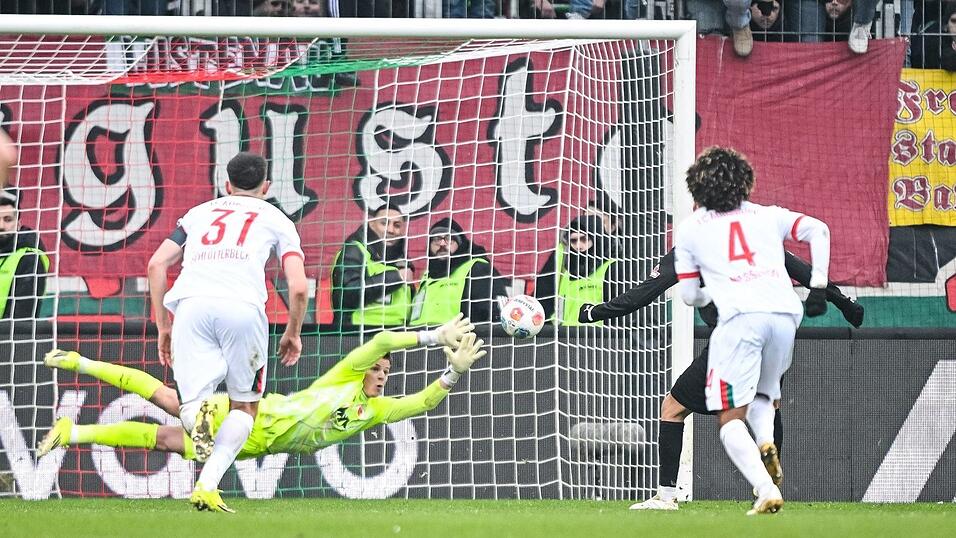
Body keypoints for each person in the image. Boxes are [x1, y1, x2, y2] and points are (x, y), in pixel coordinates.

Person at [579, 248, 863, 510]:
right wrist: (845, 302)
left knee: (673, 408)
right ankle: (771, 486)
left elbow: (643, 294)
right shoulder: (758, 236)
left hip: (733, 338)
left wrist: (595, 312)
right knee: (767, 406)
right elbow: (805, 271)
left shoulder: (691, 247)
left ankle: (666, 496)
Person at [37, 316, 484, 475]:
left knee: (168, 440)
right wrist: (432, 337)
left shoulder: (377, 410)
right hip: (250, 414)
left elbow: (423, 403)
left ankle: (71, 432)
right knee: (170, 404)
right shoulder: (342, 378)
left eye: (387, 373)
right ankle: (83, 364)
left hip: (257, 446)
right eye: (380, 370)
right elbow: (383, 339)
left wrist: (453, 372)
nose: (383, 374)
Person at [146, 151, 309, 513]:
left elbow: (157, 264)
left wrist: (163, 324)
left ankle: (195, 420)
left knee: (190, 403)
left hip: (191, 306)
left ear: (226, 184)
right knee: (245, 406)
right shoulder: (276, 218)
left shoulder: (199, 213)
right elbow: (298, 288)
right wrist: (292, 332)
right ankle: (207, 484)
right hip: (242, 309)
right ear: (266, 187)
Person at [672, 146, 830, 515]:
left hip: (741, 318)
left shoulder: (692, 228)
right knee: (764, 395)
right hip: (786, 315)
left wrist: (716, 288)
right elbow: (818, 230)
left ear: (697, 189)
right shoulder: (767, 215)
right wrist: (818, 285)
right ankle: (765, 439)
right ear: (745, 182)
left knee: (728, 418)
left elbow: (690, 296)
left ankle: (764, 488)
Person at [410, 218, 508, 327]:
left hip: (460, 341)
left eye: (449, 238)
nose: (442, 243)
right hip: (420, 340)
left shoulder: (477, 269)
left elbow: (497, 316)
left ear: (460, 243)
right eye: (437, 239)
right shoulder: (427, 276)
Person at [331, 203, 413, 330]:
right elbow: (347, 294)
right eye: (384, 223)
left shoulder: (403, 261)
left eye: (397, 225)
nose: (390, 230)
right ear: (371, 224)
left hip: (396, 336)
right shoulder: (355, 250)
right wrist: (396, 277)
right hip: (358, 333)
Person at [536, 215, 621, 326]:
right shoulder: (567, 272)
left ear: (596, 238)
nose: (578, 246)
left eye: (584, 239)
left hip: (597, 337)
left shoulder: (611, 267)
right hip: (566, 335)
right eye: (574, 241)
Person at [0, 188, 49, 320]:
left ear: (18, 225)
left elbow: (21, 315)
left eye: (8, 219)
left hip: (11, 337)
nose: (1, 225)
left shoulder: (29, 258)